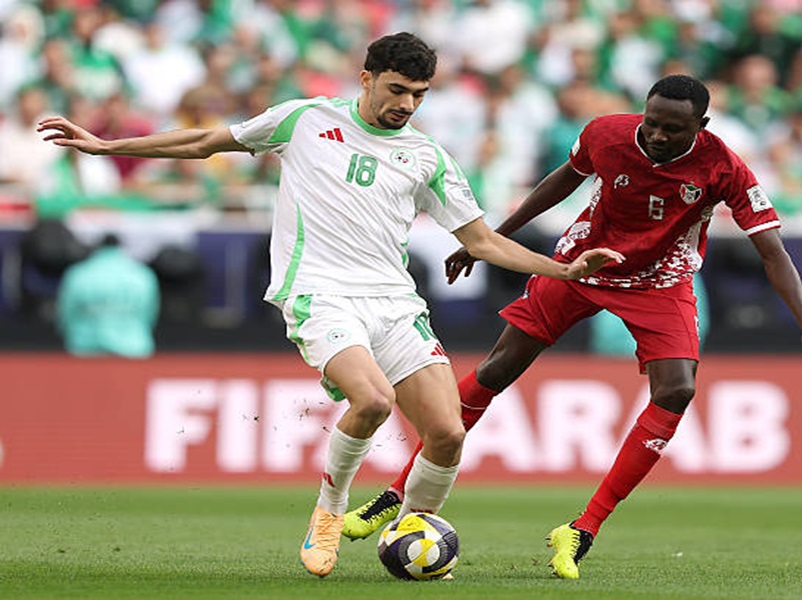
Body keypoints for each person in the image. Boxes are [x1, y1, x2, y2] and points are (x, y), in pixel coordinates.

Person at [38, 32, 622, 578]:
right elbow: (204, 142)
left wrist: (564, 269)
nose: (406, 104)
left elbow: (483, 241)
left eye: (419, 94)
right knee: (373, 400)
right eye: (397, 89)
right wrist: (107, 146)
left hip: (393, 301)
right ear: (367, 79)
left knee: (447, 432)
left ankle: (411, 527)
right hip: (319, 293)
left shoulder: (427, 157)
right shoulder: (305, 119)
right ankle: (329, 510)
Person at [341, 74, 802, 579]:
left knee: (678, 389)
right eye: (652, 122)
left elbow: (772, 251)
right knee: (497, 368)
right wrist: (488, 240)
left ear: (701, 126)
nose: (657, 135)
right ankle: (396, 493)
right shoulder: (606, 133)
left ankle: (582, 527)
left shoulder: (724, 167)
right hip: (580, 265)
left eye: (672, 129)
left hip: (659, 281)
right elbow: (560, 182)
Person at [56, 233, 160, 357]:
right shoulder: (142, 275)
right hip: (133, 350)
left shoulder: (77, 274)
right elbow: (149, 314)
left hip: (85, 350)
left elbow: (66, 314)